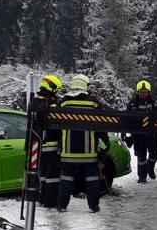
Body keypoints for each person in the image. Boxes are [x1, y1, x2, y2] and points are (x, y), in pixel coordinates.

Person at [58, 74, 109, 212]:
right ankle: (93, 206)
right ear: (85, 86)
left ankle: (62, 205)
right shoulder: (93, 102)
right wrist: (105, 142)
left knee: (66, 178)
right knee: (92, 179)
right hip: (89, 153)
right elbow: (102, 125)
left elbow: (55, 125)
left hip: (67, 153)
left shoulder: (63, 102)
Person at [34, 74, 64, 209]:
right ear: (52, 87)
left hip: (37, 145)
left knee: (42, 173)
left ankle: (42, 197)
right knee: (52, 175)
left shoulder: (35, 101)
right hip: (51, 145)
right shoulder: (53, 103)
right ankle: (50, 201)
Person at [126, 80, 157, 183]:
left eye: (145, 92)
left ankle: (150, 167)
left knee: (155, 153)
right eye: (141, 92)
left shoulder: (154, 102)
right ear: (137, 92)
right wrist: (128, 135)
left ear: (149, 92)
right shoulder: (132, 103)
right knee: (141, 156)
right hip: (138, 134)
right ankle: (142, 177)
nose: (143, 94)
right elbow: (126, 120)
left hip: (153, 134)